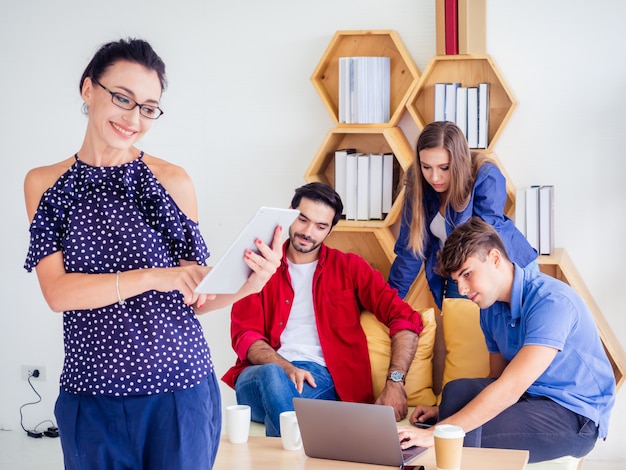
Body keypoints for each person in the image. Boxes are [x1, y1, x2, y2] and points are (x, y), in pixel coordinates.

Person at [23, 38, 283, 470]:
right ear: (88, 90)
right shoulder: (45, 184)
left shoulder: (171, 181)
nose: (133, 118)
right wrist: (151, 276)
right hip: (91, 397)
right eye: (122, 99)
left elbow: (193, 296)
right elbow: (58, 294)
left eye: (147, 107)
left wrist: (248, 285)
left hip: (179, 393)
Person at [397, 217, 615, 463]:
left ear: (495, 259)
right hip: (531, 398)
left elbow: (510, 388)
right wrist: (442, 415)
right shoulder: (488, 309)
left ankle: (432, 449)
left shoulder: (551, 301)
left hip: (575, 415)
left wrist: (439, 432)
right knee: (456, 391)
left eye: (467, 274)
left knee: (464, 435)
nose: (464, 289)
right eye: (458, 281)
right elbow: (496, 378)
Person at [222, 182, 425, 437]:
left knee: (282, 402)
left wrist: (395, 382)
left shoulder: (350, 268)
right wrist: (285, 367)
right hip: (259, 377)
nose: (308, 232)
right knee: (273, 376)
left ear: (330, 230)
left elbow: (404, 317)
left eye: (320, 226)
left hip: (322, 379)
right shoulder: (260, 267)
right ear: (289, 214)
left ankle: (286, 455)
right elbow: (245, 336)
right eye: (303, 219)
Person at [388, 121, 537, 308]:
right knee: (460, 334)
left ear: (458, 162)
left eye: (444, 167)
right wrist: (388, 302)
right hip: (459, 273)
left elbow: (484, 243)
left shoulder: (485, 174)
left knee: (508, 334)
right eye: (426, 167)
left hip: (503, 271)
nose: (434, 177)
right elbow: (410, 250)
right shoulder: (416, 181)